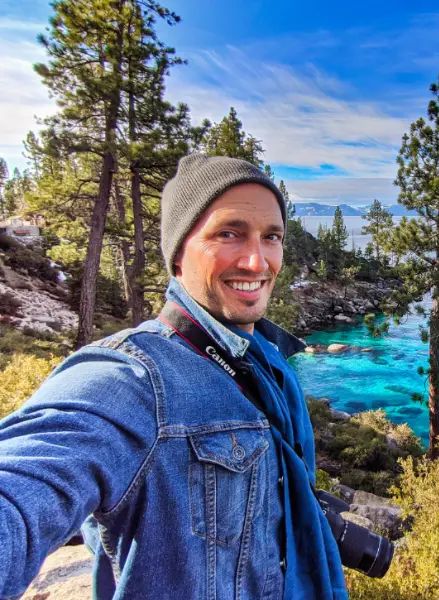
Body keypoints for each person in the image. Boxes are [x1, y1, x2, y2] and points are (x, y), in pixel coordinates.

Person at [0, 154, 348, 599]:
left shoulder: (265, 361)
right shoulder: (130, 377)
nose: (257, 262)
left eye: (272, 237)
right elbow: (27, 482)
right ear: (179, 251)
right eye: (229, 233)